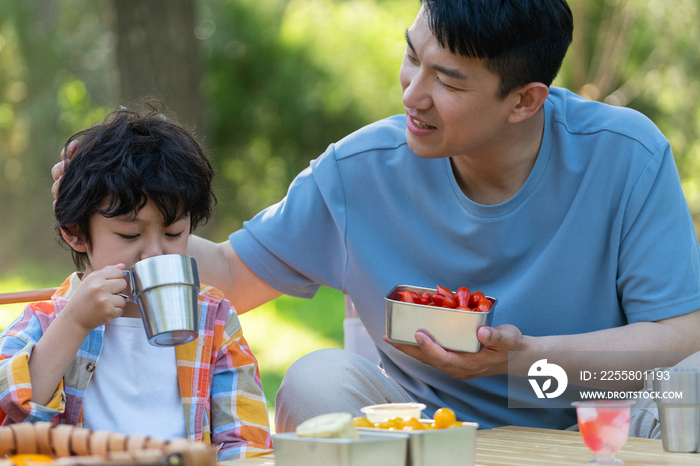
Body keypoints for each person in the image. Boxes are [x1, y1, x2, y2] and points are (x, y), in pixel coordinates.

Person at [53, 0, 700, 436]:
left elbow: (680, 334)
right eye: (412, 56)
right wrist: (122, 213)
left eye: (447, 79)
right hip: (422, 431)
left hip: (598, 418)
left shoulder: (625, 155)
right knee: (315, 378)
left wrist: (527, 361)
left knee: (691, 381)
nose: (412, 92)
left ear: (525, 100)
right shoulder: (360, 172)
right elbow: (230, 275)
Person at [6, 102, 273, 461]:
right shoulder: (48, 320)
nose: (154, 254)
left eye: (174, 232)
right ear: (75, 233)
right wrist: (74, 323)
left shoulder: (214, 321)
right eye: (130, 235)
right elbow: (14, 423)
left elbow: (246, 441)